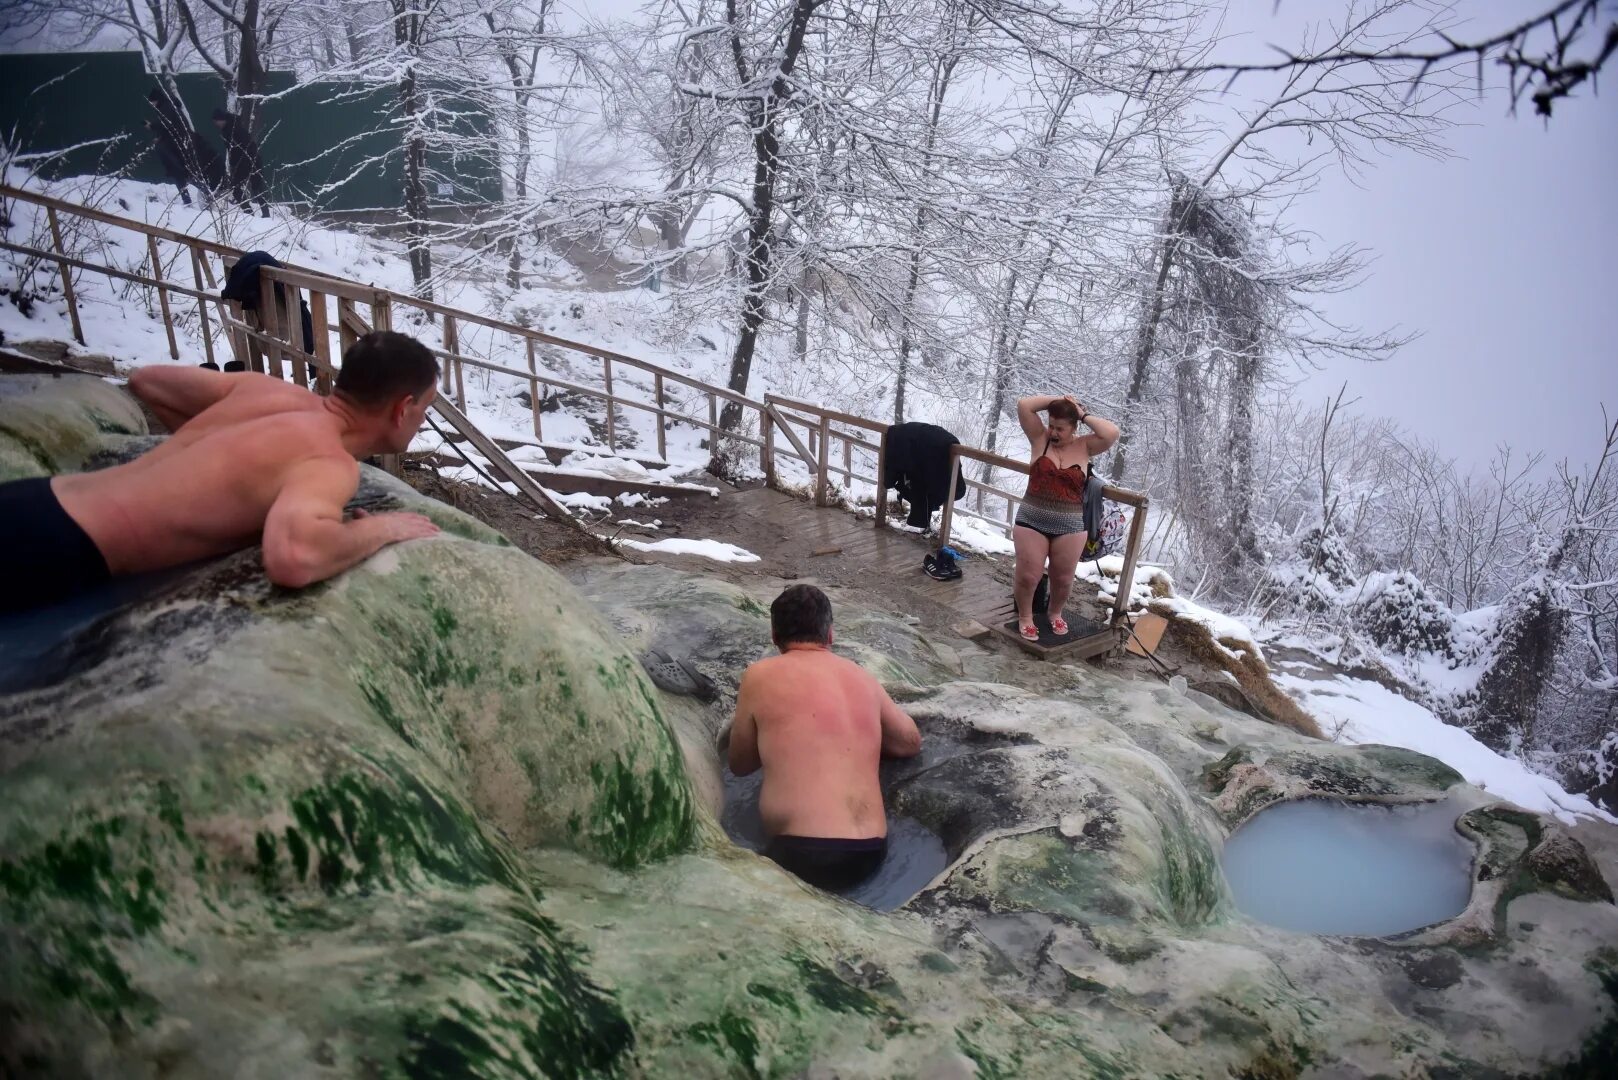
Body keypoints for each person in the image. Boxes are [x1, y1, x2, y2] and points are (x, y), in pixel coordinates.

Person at [0, 331, 442, 614]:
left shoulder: (266, 392)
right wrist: (379, 530)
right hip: (59, 548)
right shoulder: (328, 462)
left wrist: (218, 462)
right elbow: (293, 559)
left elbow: (148, 381)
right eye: (425, 409)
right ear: (403, 409)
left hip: (37, 499)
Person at [728, 584, 922, 891]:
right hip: (871, 852)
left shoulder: (759, 675)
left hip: (801, 850)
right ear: (830, 635)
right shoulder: (861, 676)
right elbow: (909, 742)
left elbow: (739, 764)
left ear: (775, 637)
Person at [1011, 395, 1120, 640]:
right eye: (1051, 425)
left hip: (1070, 525)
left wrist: (1081, 413)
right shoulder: (1040, 440)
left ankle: (1055, 613)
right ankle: (1025, 617)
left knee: (1062, 578)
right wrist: (1060, 399)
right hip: (1032, 519)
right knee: (1028, 576)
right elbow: (1024, 405)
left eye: (1060, 428)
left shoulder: (1085, 446)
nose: (1053, 432)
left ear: (1074, 428)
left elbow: (1112, 433)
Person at [212, 107, 271, 218]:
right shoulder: (227, 130)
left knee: (255, 188)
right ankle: (249, 212)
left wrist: (247, 161)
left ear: (222, 119)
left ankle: (265, 215)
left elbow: (250, 146)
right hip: (242, 163)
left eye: (217, 121)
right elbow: (232, 151)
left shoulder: (235, 129)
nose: (216, 124)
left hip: (250, 161)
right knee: (237, 189)